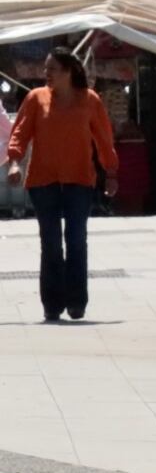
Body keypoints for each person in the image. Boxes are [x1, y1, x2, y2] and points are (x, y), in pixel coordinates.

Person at [5, 47, 119, 321]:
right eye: (46, 69)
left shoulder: (90, 100)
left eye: (52, 69)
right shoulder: (35, 99)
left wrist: (111, 171)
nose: (47, 74)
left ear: (69, 72)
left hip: (79, 180)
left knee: (77, 239)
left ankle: (77, 302)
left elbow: (104, 139)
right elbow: (20, 133)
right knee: (51, 242)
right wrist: (14, 162)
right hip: (43, 181)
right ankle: (52, 304)